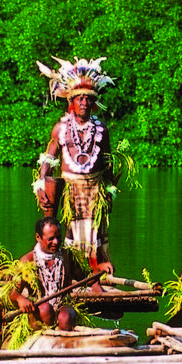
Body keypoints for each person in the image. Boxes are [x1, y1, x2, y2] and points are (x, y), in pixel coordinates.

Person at [34, 56, 118, 273]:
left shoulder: (102, 129)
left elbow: (108, 162)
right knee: (70, 229)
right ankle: (70, 267)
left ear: (93, 102)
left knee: (95, 229)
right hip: (70, 187)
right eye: (79, 99)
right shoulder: (60, 129)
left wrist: (109, 189)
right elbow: (49, 159)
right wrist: (41, 186)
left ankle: (98, 264)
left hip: (94, 186)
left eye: (87, 99)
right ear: (72, 101)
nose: (83, 103)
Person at [9, 216, 109, 332]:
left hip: (62, 305)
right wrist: (21, 299)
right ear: (38, 237)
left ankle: (64, 338)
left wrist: (99, 269)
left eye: (58, 237)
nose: (56, 242)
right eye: (51, 239)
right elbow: (12, 292)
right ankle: (42, 336)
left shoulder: (67, 256)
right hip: (40, 309)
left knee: (66, 317)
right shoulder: (28, 261)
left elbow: (85, 278)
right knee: (46, 309)